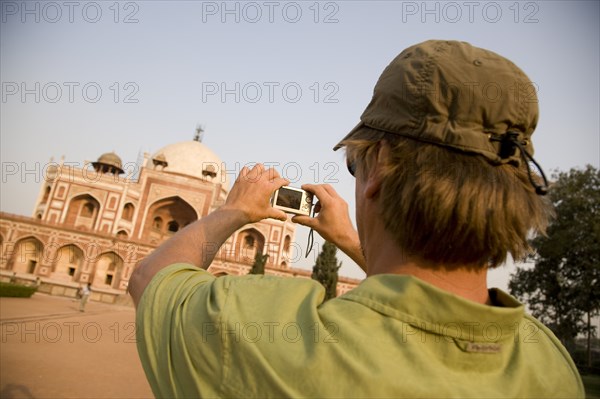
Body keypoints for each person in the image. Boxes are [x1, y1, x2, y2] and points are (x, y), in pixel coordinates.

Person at [129, 40, 584, 398]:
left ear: (380, 165)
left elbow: (152, 279)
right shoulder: (547, 361)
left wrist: (234, 209)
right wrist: (347, 236)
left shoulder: (264, 338)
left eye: (355, 165)